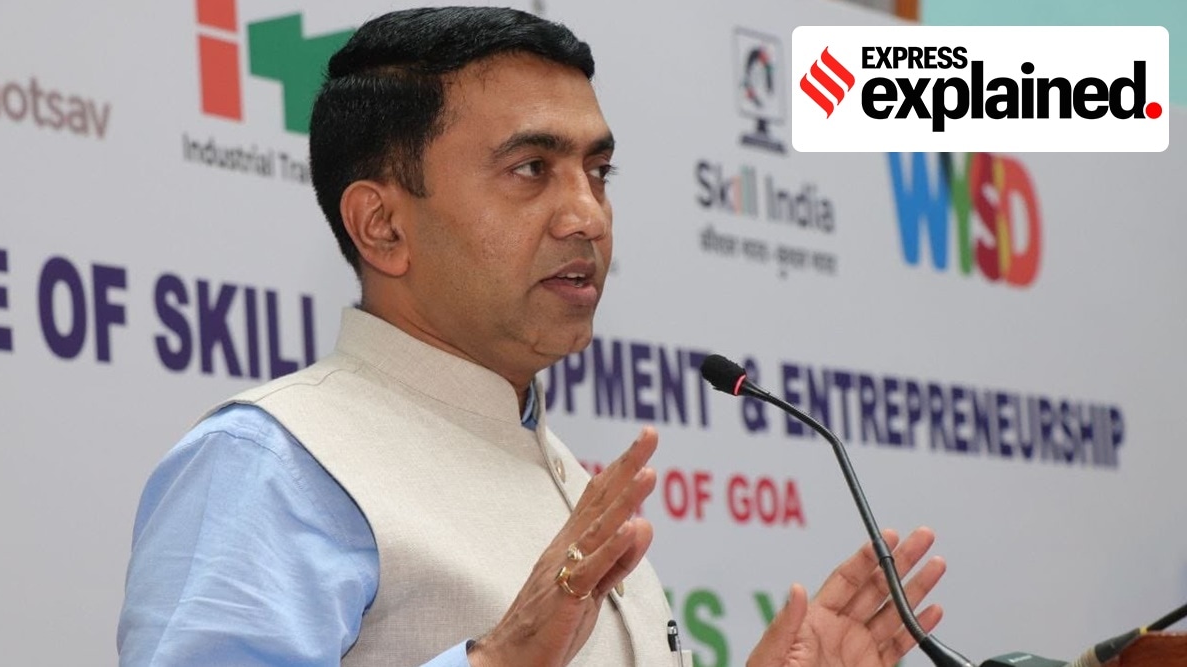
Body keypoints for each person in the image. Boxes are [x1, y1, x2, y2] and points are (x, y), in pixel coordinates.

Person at [118, 6, 946, 666]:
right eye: (530, 169)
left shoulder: (561, 472)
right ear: (382, 226)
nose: (588, 215)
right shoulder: (274, 464)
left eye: (599, 171)